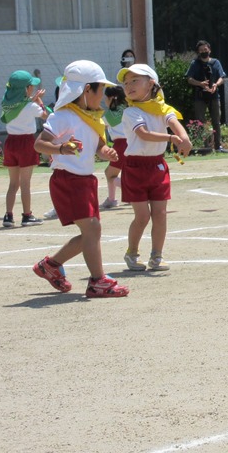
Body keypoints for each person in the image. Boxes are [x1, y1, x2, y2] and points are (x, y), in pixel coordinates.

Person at [31, 60, 129, 298]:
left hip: (84, 181)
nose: (103, 95)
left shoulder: (92, 116)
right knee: (92, 229)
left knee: (91, 232)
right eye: (101, 90)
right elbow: (39, 143)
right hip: (68, 180)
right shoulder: (63, 116)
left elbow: (98, 145)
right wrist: (62, 148)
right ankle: (98, 282)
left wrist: (105, 151)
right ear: (86, 90)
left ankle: (50, 265)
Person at [119, 63, 193, 271]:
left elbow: (175, 124)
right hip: (135, 167)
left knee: (160, 214)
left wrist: (184, 139)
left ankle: (156, 256)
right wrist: (173, 138)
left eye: (135, 81)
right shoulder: (131, 112)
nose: (129, 86)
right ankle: (132, 253)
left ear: (151, 83)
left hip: (157, 165)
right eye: (126, 83)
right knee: (142, 216)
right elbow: (143, 134)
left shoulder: (163, 109)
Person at [0, 69, 48, 227]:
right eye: (30, 86)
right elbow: (45, 115)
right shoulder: (30, 106)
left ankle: (8, 215)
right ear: (25, 89)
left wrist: (32, 100)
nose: (32, 88)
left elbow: (20, 106)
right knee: (25, 183)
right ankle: (27, 215)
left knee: (13, 183)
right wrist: (39, 100)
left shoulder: (7, 104)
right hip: (26, 143)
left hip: (10, 143)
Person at [185, 40, 226, 152]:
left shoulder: (216, 62)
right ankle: (206, 146)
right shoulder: (194, 64)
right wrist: (200, 83)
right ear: (198, 52)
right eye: (201, 50)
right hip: (200, 97)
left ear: (209, 50)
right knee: (200, 121)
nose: (204, 51)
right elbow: (189, 79)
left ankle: (218, 146)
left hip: (214, 96)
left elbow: (222, 77)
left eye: (205, 49)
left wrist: (216, 85)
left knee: (216, 121)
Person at [100, 85, 127, 209]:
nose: (105, 99)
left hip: (121, 144)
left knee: (110, 174)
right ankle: (111, 199)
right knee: (115, 173)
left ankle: (134, 193)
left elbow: (99, 125)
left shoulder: (111, 114)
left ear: (112, 98)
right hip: (132, 143)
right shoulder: (128, 108)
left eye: (106, 97)